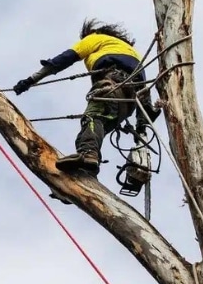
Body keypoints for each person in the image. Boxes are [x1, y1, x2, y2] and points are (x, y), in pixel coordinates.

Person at [12, 19, 160, 175]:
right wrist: (141, 126)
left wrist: (30, 80)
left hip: (113, 85)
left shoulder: (95, 38)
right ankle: (85, 174)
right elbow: (144, 95)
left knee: (92, 118)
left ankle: (88, 155)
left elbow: (65, 58)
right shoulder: (130, 52)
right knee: (95, 130)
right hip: (129, 103)